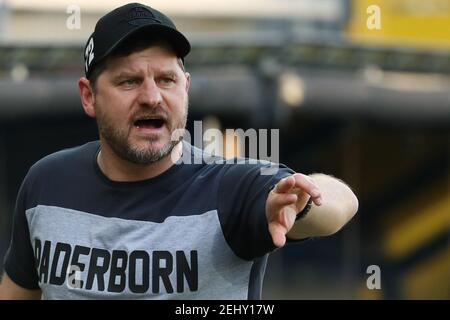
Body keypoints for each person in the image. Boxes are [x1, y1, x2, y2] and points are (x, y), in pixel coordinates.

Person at [0, 3, 358, 300]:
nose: (152, 96)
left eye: (166, 80)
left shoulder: (230, 187)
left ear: (185, 87)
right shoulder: (47, 183)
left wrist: (304, 203)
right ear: (89, 96)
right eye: (129, 81)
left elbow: (343, 202)